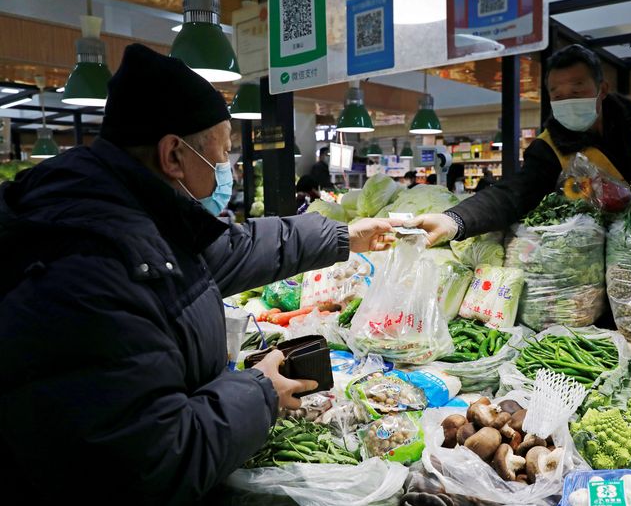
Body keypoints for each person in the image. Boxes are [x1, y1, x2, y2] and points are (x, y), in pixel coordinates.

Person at [0, 44, 397, 505]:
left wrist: (344, 238)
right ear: (174, 156)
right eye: (222, 154)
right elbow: (152, 459)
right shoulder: (89, 266)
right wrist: (261, 391)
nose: (225, 171)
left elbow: (237, 249)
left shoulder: (138, 218)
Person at [406, 44, 631, 245]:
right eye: (557, 94)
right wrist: (454, 221)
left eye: (577, 88)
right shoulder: (549, 149)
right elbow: (512, 195)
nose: (567, 98)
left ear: (602, 89)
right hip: (616, 258)